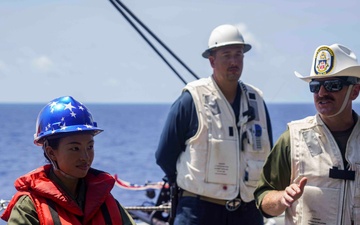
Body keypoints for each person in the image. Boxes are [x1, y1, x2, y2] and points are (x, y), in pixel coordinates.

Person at [155, 24, 273, 225]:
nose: (234, 61)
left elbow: (269, 157)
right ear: (212, 61)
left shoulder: (257, 101)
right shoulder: (191, 100)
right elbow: (164, 155)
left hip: (247, 212)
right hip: (199, 212)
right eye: (226, 55)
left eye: (238, 54)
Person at [254, 43, 360, 225]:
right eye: (315, 86)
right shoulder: (292, 139)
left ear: (355, 91)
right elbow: (263, 198)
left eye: (332, 85)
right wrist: (281, 199)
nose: (321, 93)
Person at [1, 96, 136, 225]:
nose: (85, 157)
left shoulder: (105, 200)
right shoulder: (30, 207)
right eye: (75, 148)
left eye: (90, 147)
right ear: (51, 152)